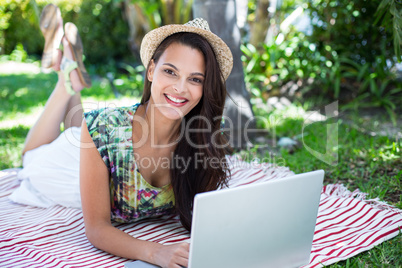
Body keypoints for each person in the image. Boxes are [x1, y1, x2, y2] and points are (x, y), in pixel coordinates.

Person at [10, 4, 234, 268]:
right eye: (170, 71)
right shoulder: (104, 129)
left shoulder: (202, 140)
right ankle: (65, 83)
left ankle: (71, 78)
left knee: (78, 128)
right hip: (77, 163)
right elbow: (96, 229)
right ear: (151, 71)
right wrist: (156, 253)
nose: (180, 87)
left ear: (205, 88)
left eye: (195, 79)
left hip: (93, 141)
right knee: (30, 159)